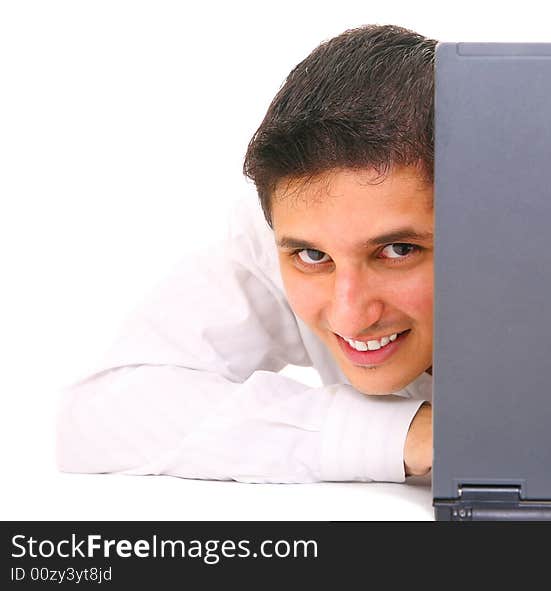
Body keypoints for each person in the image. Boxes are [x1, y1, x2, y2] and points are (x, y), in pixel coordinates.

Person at [55, 24, 436, 484]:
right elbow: (104, 414)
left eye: (398, 250)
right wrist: (404, 434)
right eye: (313, 258)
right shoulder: (285, 228)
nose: (351, 317)